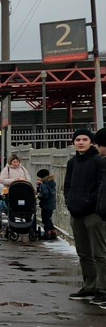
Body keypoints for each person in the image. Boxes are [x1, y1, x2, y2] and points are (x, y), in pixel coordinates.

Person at [63, 128, 106, 302]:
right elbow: (67, 185)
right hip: (76, 213)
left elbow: (101, 187)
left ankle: (103, 289)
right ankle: (90, 286)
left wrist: (89, 202)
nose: (80, 142)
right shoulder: (73, 162)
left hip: (93, 214)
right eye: (78, 139)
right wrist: (69, 201)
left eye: (85, 139)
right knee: (83, 252)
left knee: (99, 253)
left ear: (91, 142)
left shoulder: (99, 161)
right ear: (73, 142)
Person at [0, 154, 30, 229]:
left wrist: (23, 180)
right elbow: (2, 180)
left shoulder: (23, 169)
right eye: (14, 162)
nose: (16, 164)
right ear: (10, 162)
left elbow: (28, 179)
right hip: (9, 194)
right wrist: (14, 180)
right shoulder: (6, 169)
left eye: (17, 162)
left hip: (22, 194)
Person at [36, 169, 57, 240]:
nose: (38, 179)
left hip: (46, 204)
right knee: (48, 218)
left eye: (39, 177)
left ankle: (47, 232)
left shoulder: (44, 185)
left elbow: (45, 194)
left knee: (45, 219)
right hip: (51, 204)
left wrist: (39, 196)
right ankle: (52, 231)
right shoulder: (51, 183)